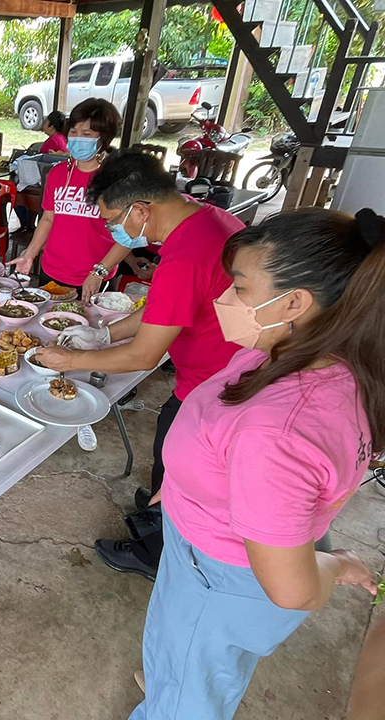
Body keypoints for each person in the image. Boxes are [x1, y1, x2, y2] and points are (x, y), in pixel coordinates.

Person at [127, 208, 384, 720]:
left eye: (239, 287)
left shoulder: (280, 430)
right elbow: (221, 433)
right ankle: (175, 680)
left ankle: (177, 697)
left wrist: (333, 565)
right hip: (212, 546)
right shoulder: (297, 352)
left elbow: (293, 588)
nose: (223, 299)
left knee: (192, 692)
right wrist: (181, 482)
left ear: (293, 302)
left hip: (220, 576)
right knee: (197, 664)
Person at [34, 149, 245, 578]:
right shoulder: (207, 219)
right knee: (175, 461)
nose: (113, 230)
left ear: (141, 210)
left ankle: (157, 552)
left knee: (175, 454)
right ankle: (162, 506)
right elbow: (162, 312)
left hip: (214, 386)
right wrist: (106, 333)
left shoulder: (185, 254)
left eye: (113, 221)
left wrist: (71, 357)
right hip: (226, 370)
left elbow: (145, 355)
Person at [8, 99, 125, 299]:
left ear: (103, 139)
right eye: (74, 131)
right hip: (52, 272)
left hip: (93, 278)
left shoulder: (116, 179)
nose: (78, 138)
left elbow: (128, 236)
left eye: (87, 134)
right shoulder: (58, 173)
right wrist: (30, 255)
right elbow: (47, 219)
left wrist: (99, 272)